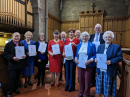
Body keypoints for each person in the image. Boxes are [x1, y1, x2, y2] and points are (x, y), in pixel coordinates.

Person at [95, 31, 123, 97]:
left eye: (109, 37)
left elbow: (120, 57)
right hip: (100, 70)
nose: (107, 38)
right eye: (106, 37)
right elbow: (97, 55)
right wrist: (96, 59)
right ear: (104, 38)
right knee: (100, 86)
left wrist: (111, 61)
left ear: (112, 38)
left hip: (109, 70)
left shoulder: (116, 47)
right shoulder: (100, 46)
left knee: (107, 87)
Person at [3, 32, 26, 97]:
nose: (16, 38)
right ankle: (9, 92)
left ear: (19, 38)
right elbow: (5, 54)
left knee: (17, 78)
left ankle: (16, 88)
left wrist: (24, 56)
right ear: (13, 37)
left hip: (19, 64)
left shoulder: (21, 44)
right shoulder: (8, 44)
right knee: (12, 78)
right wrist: (12, 57)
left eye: (18, 36)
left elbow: (24, 53)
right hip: (12, 64)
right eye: (15, 36)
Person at [75, 31, 96, 97]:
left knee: (87, 79)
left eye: (86, 36)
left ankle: (86, 94)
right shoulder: (78, 45)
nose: (84, 37)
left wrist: (90, 60)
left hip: (88, 65)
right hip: (80, 65)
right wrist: (75, 58)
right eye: (83, 36)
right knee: (80, 79)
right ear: (81, 37)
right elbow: (76, 54)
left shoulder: (92, 45)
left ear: (88, 37)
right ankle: (81, 92)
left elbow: (94, 55)